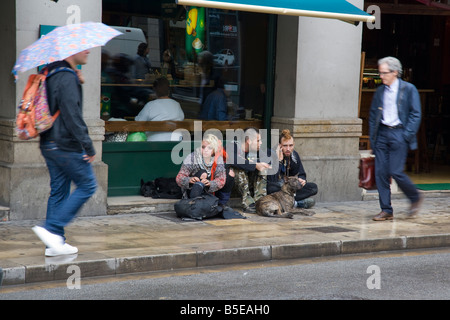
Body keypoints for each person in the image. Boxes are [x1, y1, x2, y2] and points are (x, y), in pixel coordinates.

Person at [32, 50, 97, 257]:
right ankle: (51, 228)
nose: (88, 51)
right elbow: (72, 114)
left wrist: (78, 82)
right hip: (65, 144)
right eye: (84, 48)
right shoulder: (67, 77)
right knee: (87, 185)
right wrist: (88, 145)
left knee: (59, 190)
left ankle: (54, 243)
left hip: (49, 142)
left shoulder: (53, 72)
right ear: (72, 51)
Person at [369, 56, 423, 221]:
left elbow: (416, 114)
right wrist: (373, 138)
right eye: (381, 73)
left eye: (384, 73)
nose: (381, 76)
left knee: (395, 171)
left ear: (395, 72)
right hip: (382, 134)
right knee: (380, 173)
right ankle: (386, 210)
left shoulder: (409, 89)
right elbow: (373, 115)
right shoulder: (380, 91)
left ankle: (415, 197)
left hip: (399, 133)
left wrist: (406, 135)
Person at [176, 134, 234, 206]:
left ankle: (221, 204)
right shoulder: (192, 157)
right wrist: (190, 180)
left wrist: (210, 183)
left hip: (210, 191)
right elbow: (179, 178)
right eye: (203, 147)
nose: (206, 150)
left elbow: (221, 180)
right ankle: (194, 203)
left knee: (229, 174)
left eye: (209, 148)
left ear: (214, 150)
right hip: (192, 190)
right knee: (202, 173)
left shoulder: (218, 159)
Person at [267, 129, 317, 209]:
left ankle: (291, 202)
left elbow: (301, 173)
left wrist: (302, 180)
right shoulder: (271, 154)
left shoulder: (294, 155)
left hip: (290, 188)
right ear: (279, 145)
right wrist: (279, 160)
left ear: (294, 145)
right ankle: (297, 203)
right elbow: (272, 179)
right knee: (271, 188)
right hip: (277, 189)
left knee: (313, 188)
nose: (288, 149)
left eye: (290, 145)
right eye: (285, 146)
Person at [227, 127, 273, 213]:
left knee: (262, 168)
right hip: (232, 185)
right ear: (248, 140)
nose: (261, 143)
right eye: (258, 141)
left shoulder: (255, 150)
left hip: (250, 183)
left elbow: (267, 161)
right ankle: (247, 202)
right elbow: (234, 160)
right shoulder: (232, 146)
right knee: (238, 169)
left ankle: (260, 201)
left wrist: (256, 163)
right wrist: (254, 164)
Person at [135, 77, 184, 141]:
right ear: (169, 90)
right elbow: (181, 118)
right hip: (175, 143)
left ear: (155, 90)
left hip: (154, 144)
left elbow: (139, 122)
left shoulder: (150, 105)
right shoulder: (176, 104)